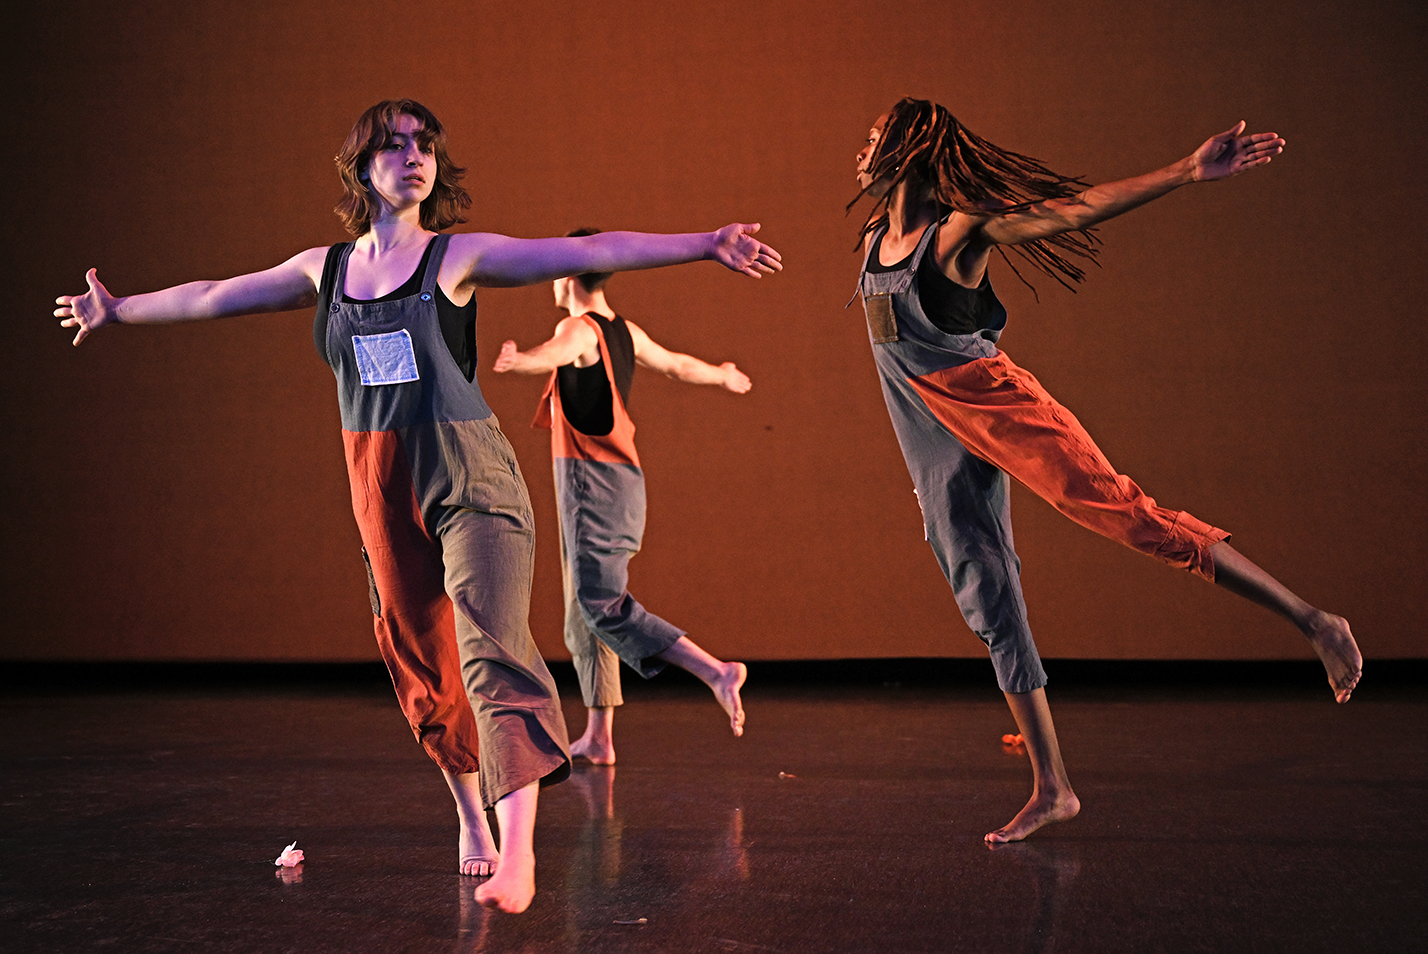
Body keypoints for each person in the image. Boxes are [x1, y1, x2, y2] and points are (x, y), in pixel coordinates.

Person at [55, 98, 781, 913]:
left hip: (472, 478)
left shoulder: (456, 258)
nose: (413, 157)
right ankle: (471, 819)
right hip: (380, 485)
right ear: (361, 169)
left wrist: (705, 246)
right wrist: (118, 310)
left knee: (494, 646)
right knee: (424, 670)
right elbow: (217, 293)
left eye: (424, 145)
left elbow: (583, 251)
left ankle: (520, 854)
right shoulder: (321, 272)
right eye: (393, 146)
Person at [848, 97, 1360, 844]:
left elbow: (1072, 211)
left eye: (874, 135)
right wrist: (926, 463)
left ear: (910, 147)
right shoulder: (871, 239)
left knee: (1131, 518)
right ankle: (1054, 788)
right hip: (936, 442)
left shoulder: (958, 232)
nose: (862, 147)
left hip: (1006, 413)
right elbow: (900, 368)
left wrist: (1186, 171)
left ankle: (1316, 620)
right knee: (986, 595)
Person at [492, 232, 751, 764]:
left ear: (568, 275)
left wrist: (522, 360)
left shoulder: (579, 328)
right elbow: (678, 365)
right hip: (609, 483)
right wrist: (721, 375)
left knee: (600, 604)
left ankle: (715, 671)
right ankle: (600, 736)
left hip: (595, 484)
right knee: (580, 612)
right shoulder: (625, 331)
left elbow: (559, 352)